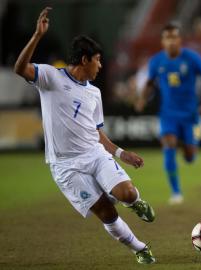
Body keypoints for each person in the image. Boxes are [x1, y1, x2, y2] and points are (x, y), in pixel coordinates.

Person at [14, 7, 156, 264]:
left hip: (94, 154)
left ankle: (136, 202)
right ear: (84, 60)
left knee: (127, 194)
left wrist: (122, 154)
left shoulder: (94, 93)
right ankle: (140, 248)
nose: (100, 65)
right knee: (106, 211)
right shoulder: (51, 78)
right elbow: (20, 68)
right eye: (98, 60)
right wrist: (37, 36)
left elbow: (97, 133)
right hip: (65, 165)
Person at [135, 23, 201, 205]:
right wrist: (142, 99)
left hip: (191, 115)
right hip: (168, 114)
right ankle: (176, 192)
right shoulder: (156, 61)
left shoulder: (192, 58)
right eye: (167, 38)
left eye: (174, 37)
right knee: (168, 144)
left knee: (189, 157)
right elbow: (149, 82)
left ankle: (185, 143)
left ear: (179, 40)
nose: (171, 41)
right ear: (163, 41)